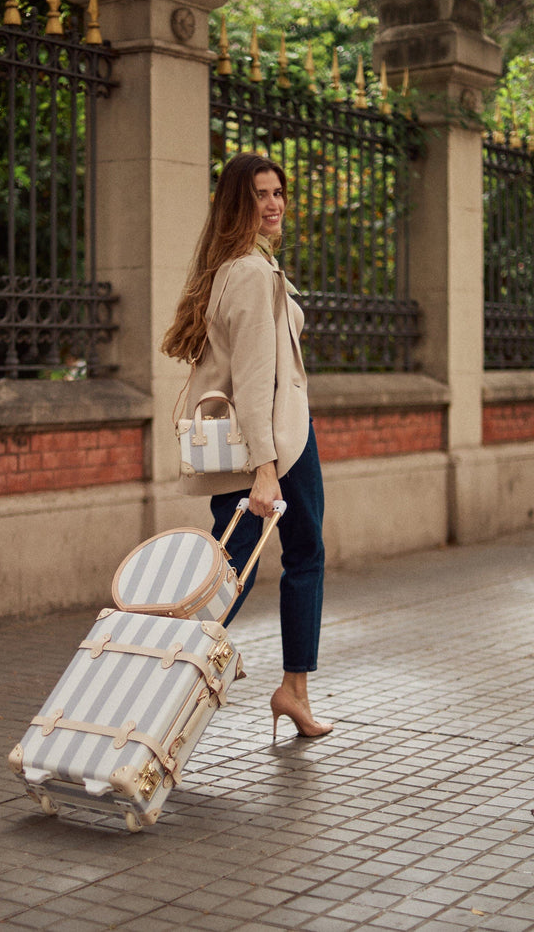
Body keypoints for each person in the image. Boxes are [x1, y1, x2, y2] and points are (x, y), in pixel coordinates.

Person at [161, 152, 332, 740]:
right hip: (277, 444)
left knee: (231, 566)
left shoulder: (234, 267)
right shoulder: (254, 274)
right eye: (260, 194)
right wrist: (267, 469)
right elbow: (256, 381)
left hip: (267, 441)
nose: (275, 203)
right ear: (239, 203)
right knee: (276, 561)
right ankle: (175, 677)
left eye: (279, 191)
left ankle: (282, 689)